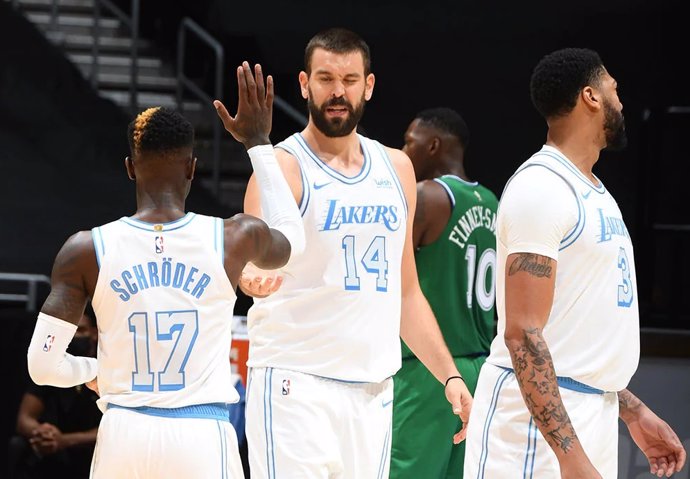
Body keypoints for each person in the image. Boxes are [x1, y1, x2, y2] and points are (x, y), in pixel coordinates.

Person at [25, 62, 305, 479]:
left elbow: (42, 367)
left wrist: (97, 370)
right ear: (192, 168)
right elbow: (293, 240)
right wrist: (259, 143)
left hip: (124, 432)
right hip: (201, 435)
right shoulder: (233, 238)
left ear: (129, 167)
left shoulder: (85, 249)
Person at [214, 27, 473, 478]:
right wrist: (250, 277)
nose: (338, 91)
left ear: (368, 86)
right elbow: (253, 262)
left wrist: (449, 376)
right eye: (326, 78)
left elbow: (406, 293)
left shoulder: (398, 168)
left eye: (350, 79)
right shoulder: (282, 168)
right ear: (304, 83)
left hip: (373, 391)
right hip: (296, 388)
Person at [463, 47, 686, 479]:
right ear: (591, 96)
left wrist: (631, 410)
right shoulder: (541, 187)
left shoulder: (595, 192)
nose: (621, 101)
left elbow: (578, 334)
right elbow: (523, 336)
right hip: (534, 426)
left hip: (588, 409)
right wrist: (569, 455)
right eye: (614, 90)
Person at [390, 107, 498, 479]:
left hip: (429, 372)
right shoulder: (492, 202)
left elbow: (392, 281)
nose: (403, 151)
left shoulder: (427, 197)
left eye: (409, 141)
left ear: (433, 144)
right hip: (479, 370)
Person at [10, 312, 101, 479]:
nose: (75, 338)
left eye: (80, 331)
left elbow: (112, 424)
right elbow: (24, 419)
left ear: (94, 333)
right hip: (53, 446)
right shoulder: (48, 369)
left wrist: (65, 440)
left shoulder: (106, 368)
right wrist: (42, 432)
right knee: (19, 446)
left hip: (89, 449)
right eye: (72, 333)